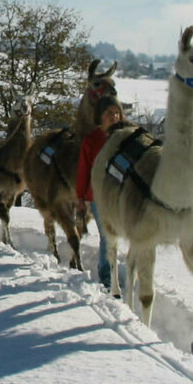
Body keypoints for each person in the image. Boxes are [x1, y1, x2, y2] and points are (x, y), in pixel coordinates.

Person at [75, 95, 124, 290]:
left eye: (116, 113)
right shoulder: (92, 140)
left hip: (122, 195)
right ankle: (106, 277)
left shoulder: (125, 136)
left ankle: (111, 271)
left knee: (115, 235)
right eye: (109, 113)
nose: (114, 117)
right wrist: (80, 198)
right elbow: (83, 170)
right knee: (108, 235)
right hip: (98, 196)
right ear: (100, 116)